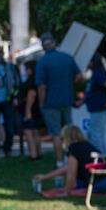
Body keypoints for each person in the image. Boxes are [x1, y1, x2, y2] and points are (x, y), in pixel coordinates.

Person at [31, 124, 106, 195]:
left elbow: (71, 174)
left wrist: (65, 191)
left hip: (105, 184)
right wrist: (45, 177)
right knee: (80, 183)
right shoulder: (86, 145)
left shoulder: (74, 148)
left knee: (80, 185)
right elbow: (67, 168)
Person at [35, 32, 81, 165]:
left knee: (56, 133)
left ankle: (59, 162)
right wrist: (68, 83)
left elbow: (42, 86)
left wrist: (42, 103)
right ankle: (72, 159)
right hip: (67, 100)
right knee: (70, 132)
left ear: (43, 46)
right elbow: (79, 77)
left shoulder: (42, 62)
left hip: (50, 103)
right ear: (55, 43)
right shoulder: (67, 58)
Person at [83, 56, 106, 156]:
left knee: (96, 134)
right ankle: (105, 155)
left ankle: (99, 156)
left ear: (92, 62)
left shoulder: (99, 73)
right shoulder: (96, 73)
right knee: (100, 133)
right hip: (96, 108)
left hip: (99, 108)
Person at [19, 59, 44, 160]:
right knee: (36, 131)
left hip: (30, 110)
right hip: (37, 110)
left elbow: (31, 95)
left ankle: (33, 154)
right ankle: (38, 152)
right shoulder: (38, 80)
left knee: (28, 132)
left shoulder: (30, 82)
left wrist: (27, 111)